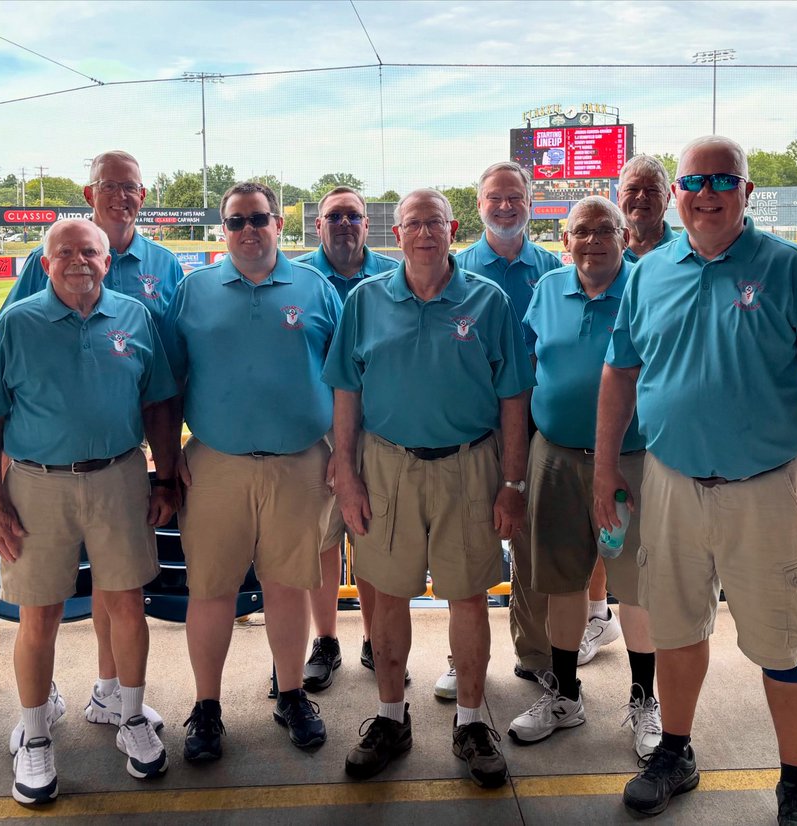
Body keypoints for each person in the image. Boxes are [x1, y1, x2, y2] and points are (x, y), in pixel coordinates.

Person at [595, 136, 797, 824]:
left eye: (722, 180)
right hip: (672, 481)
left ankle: (796, 780)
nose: (706, 193)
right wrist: (603, 468)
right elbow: (620, 371)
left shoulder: (790, 266)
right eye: (694, 182)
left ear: (745, 191)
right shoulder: (648, 273)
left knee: (784, 643)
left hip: (766, 488)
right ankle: (674, 752)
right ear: (676, 195)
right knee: (676, 629)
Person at [325, 188, 534, 788]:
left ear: (452, 228)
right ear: (396, 234)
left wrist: (512, 482)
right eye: (412, 224)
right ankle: (391, 719)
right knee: (388, 597)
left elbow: (513, 398)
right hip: (386, 466)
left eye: (433, 223)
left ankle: (471, 723)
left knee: (467, 597)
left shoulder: (487, 300)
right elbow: (346, 391)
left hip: (469, 466)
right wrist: (347, 475)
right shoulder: (366, 300)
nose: (423, 233)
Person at [0, 218, 181, 804]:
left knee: (127, 605)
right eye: (64, 252)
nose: (78, 261)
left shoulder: (134, 317)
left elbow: (159, 405)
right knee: (39, 616)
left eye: (89, 251)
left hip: (119, 476)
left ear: (107, 261)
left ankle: (129, 715)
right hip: (37, 484)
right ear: (45, 263)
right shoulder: (16, 323)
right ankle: (36, 735)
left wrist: (166, 476)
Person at [2, 150, 182, 747]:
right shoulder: (45, 264)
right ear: (90, 192)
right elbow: (4, 369)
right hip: (44, 466)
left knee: (121, 589)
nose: (121, 196)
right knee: (42, 607)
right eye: (110, 185)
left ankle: (113, 694)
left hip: (119, 460)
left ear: (143, 194)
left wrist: (166, 469)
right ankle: (39, 711)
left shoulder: (163, 264)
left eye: (131, 187)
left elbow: (164, 378)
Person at [162, 181, 340, 760]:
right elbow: (168, 384)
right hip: (216, 463)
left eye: (258, 218)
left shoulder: (315, 288)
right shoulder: (193, 290)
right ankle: (207, 707)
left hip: (300, 462)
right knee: (211, 590)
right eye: (236, 221)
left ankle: (291, 695)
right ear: (224, 229)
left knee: (288, 587)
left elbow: (344, 379)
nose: (248, 230)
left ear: (278, 224)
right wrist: (166, 458)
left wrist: (343, 452)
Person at [508, 196, 661, 758]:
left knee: (637, 587)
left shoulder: (648, 287)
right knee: (561, 582)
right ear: (565, 239)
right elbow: (529, 369)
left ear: (624, 236)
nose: (592, 240)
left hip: (631, 459)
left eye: (604, 230)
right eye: (581, 231)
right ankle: (565, 696)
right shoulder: (548, 289)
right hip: (555, 456)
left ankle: (644, 700)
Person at [437, 161, 571, 700]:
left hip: (535, 425)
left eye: (515, 196)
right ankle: (461, 658)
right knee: (464, 544)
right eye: (495, 197)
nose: (506, 206)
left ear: (530, 202)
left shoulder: (553, 268)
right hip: (473, 428)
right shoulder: (457, 267)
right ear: (479, 204)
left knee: (532, 544)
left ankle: (534, 653)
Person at [572, 153, 683, 668]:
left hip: (656, 438)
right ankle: (598, 615)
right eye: (631, 189)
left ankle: (656, 668)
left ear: (669, 196)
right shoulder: (589, 261)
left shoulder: (683, 253)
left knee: (648, 557)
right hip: (593, 434)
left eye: (651, 189)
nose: (640, 198)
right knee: (599, 532)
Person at [293, 186, 399, 691]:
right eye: (333, 216)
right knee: (322, 539)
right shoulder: (298, 277)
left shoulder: (393, 274)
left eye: (353, 216)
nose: (343, 224)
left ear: (366, 224)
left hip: (377, 429)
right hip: (317, 432)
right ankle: (326, 640)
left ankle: (376, 641)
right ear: (318, 225)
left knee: (370, 535)